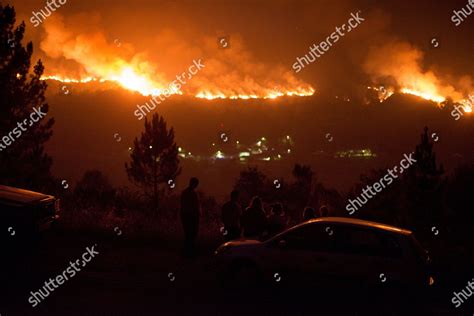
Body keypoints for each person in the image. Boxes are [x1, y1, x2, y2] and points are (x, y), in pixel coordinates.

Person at [180, 177, 200, 257]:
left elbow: (182, 205)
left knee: (187, 234)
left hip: (185, 215)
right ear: (194, 184)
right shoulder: (193, 194)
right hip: (192, 216)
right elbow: (196, 206)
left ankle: (186, 252)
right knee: (192, 234)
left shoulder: (184, 192)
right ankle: (190, 252)